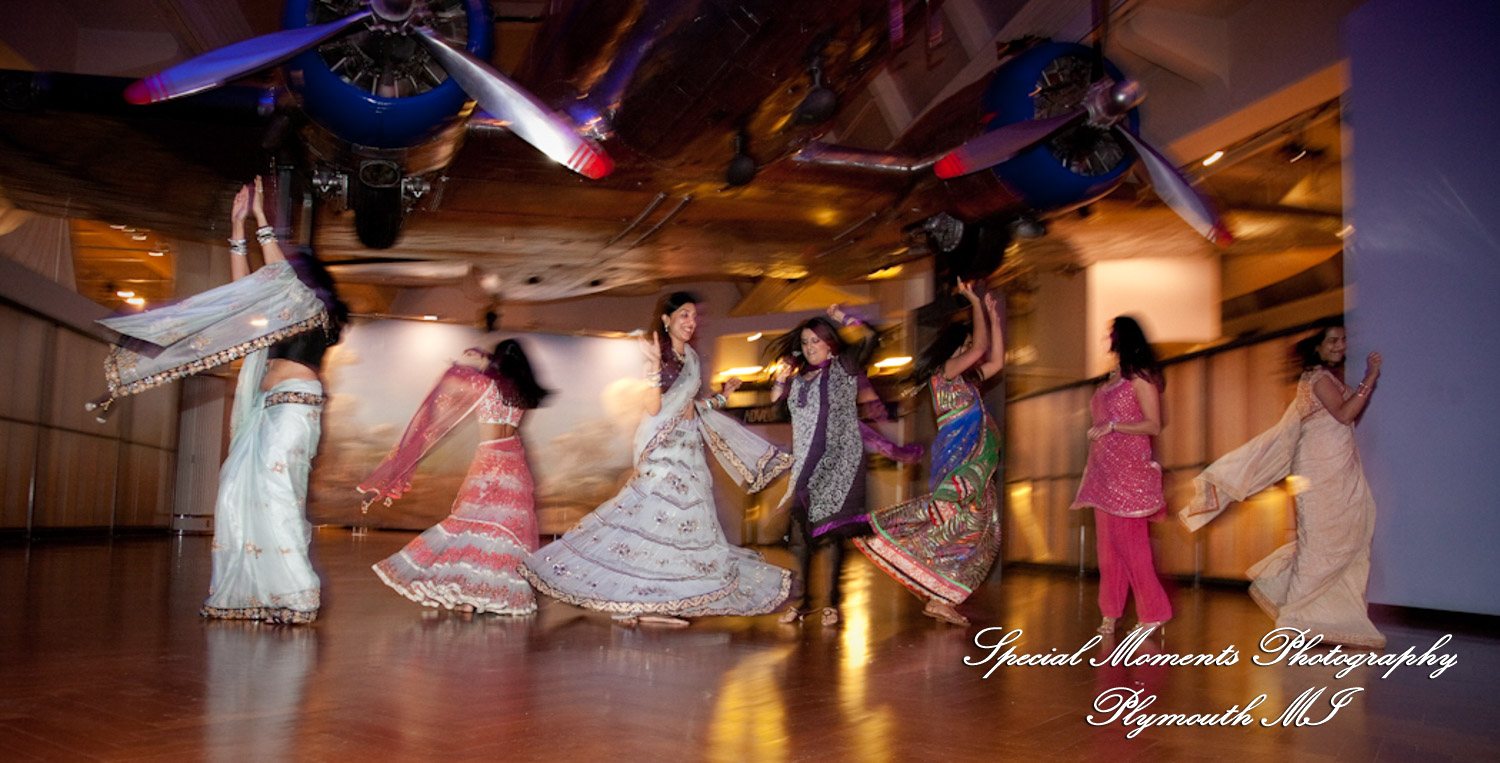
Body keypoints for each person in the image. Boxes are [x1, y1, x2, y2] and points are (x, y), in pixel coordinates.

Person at [94, 177, 346, 624]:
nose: (277, 276)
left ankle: (297, 596)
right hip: (266, 412)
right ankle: (252, 592)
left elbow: (274, 280)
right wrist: (235, 231)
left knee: (276, 498)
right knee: (235, 494)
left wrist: (263, 220)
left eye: (285, 269)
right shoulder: (278, 310)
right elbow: (244, 299)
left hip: (293, 409)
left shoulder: (311, 308)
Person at [521, 292, 793, 625]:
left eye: (694, 316)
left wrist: (723, 396)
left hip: (689, 454)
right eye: (684, 315)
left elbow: (690, 409)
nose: (691, 322)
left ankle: (653, 600)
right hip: (664, 453)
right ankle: (637, 601)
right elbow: (653, 409)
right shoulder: (664, 359)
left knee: (676, 530)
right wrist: (651, 368)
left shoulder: (690, 356)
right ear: (666, 320)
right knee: (652, 523)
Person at [1179, 321, 1385, 648]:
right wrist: (1370, 378)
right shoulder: (1317, 379)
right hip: (1319, 472)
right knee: (1319, 544)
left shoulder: (1328, 378)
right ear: (1316, 346)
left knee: (1347, 534)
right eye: (1332, 340)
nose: (1339, 345)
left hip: (1339, 470)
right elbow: (1346, 414)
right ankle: (1292, 619)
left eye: (1343, 340)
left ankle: (1321, 617)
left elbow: (1341, 420)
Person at [360, 339, 551, 615]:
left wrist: (482, 359)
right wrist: (490, 359)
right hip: (515, 465)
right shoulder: (522, 394)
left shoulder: (483, 386)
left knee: (473, 526)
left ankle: (468, 598)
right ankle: (485, 594)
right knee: (502, 532)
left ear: (497, 361)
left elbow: (456, 375)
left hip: (490, 462)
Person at [855, 281, 1005, 626]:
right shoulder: (945, 375)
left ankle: (941, 598)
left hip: (976, 471)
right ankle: (889, 541)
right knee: (954, 522)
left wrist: (995, 318)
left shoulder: (967, 382)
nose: (971, 351)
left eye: (969, 346)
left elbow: (996, 360)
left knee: (981, 532)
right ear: (953, 350)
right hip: (961, 468)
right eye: (965, 346)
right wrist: (974, 303)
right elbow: (983, 347)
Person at [766, 304, 920, 626]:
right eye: (806, 342)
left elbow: (870, 339)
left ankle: (832, 602)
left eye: (817, 341)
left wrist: (844, 319)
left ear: (830, 343)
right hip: (808, 463)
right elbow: (781, 413)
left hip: (840, 462)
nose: (810, 348)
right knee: (802, 535)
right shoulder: (798, 381)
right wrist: (779, 384)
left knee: (834, 533)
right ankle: (805, 601)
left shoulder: (844, 366)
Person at [1069, 315, 1172, 636]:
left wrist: (1114, 426)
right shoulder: (1112, 377)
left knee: (1132, 548)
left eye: (1111, 333)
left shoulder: (1139, 377)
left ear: (1123, 337)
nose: (1107, 338)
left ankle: (1154, 612)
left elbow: (1153, 424)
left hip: (1129, 473)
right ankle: (1110, 614)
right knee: (1108, 551)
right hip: (1104, 473)